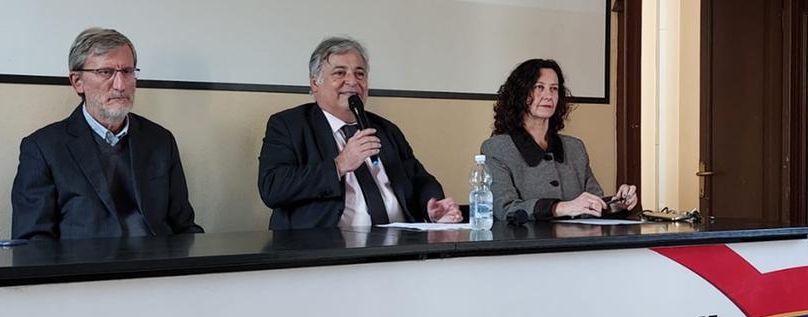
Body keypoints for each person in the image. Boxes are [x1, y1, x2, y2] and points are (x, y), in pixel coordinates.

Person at [11, 28, 203, 240]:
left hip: (156, 267)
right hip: (86, 270)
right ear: (77, 82)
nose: (120, 85)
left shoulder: (160, 140)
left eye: (127, 72)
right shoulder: (43, 148)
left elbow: (184, 227)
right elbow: (33, 244)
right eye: (105, 72)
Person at [257, 37, 462, 229]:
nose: (352, 81)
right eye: (339, 73)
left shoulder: (386, 129)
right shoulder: (289, 126)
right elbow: (272, 188)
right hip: (327, 250)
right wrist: (339, 165)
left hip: (399, 245)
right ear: (315, 83)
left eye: (359, 73)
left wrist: (431, 207)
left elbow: (420, 180)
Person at [480, 59, 638, 224]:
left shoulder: (575, 147)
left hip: (580, 243)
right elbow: (505, 209)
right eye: (539, 87)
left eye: (554, 89)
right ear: (520, 93)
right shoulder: (496, 148)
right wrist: (560, 208)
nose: (548, 96)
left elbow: (593, 201)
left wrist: (616, 204)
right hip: (530, 245)